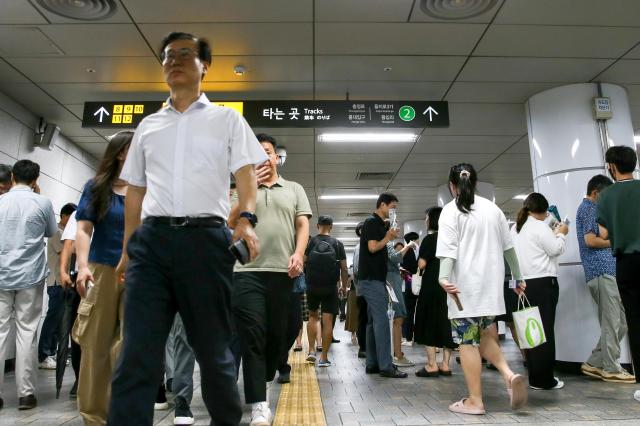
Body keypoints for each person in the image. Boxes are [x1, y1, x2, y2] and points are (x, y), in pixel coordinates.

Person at [108, 32, 267, 426]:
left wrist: (246, 218)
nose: (173, 61)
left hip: (205, 241)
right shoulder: (148, 125)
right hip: (152, 245)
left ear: (204, 67)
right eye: (167, 56)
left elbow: (246, 176)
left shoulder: (227, 119)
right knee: (137, 353)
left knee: (213, 351)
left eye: (184, 54)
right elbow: (135, 192)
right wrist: (129, 247)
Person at [230, 132, 311, 425]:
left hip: (283, 273)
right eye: (257, 153)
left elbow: (302, 224)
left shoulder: (294, 188)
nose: (264, 157)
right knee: (253, 336)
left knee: (279, 335)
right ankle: (259, 404)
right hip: (246, 272)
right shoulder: (240, 189)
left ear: (277, 157)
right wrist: (248, 188)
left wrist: (300, 254)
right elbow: (230, 222)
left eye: (268, 152)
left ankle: (263, 379)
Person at [437, 163, 527, 415]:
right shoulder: (493, 209)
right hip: (490, 288)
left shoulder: (449, 211)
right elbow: (509, 249)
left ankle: (475, 400)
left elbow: (448, 252)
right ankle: (509, 376)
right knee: (487, 336)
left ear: (451, 186)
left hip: (463, 290)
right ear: (474, 183)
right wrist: (518, 278)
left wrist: (444, 279)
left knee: (467, 343)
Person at [73, 131, 132, 424]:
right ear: (120, 153)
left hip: (138, 273)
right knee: (96, 344)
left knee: (129, 345)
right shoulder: (97, 187)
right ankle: (94, 416)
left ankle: (122, 413)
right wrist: (82, 266)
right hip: (101, 270)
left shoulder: (147, 189)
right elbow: (83, 229)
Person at [0, 159, 57, 411]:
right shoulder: (42, 202)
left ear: (12, 177)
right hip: (30, 277)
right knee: (27, 332)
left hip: (1, 274)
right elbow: (50, 231)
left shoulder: (0, 202)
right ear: (36, 179)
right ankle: (26, 394)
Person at [577, 174, 635, 384]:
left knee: (621, 321)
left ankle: (594, 362)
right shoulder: (590, 208)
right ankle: (611, 367)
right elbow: (591, 240)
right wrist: (615, 240)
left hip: (607, 273)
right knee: (611, 321)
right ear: (596, 193)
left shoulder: (592, 208)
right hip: (601, 272)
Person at [596, 145, 640, 402]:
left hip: (627, 263)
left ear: (612, 167)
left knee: (635, 321)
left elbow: (603, 235)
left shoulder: (606, 196)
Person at [511, 192, 568, 390]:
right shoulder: (539, 227)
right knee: (545, 332)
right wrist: (562, 233)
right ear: (543, 211)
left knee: (531, 332)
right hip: (543, 284)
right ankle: (545, 380)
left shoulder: (515, 228)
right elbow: (555, 250)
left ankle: (535, 377)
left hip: (524, 286)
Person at [358, 192, 407, 378]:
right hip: (371, 279)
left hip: (374, 278)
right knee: (381, 321)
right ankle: (386, 366)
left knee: (372, 322)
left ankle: (372, 363)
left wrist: (389, 235)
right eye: (392, 207)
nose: (393, 211)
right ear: (382, 205)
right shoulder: (371, 222)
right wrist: (388, 237)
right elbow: (372, 247)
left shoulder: (379, 225)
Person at [414, 207, 455, 377]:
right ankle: (445, 364)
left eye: (427, 218)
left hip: (432, 285)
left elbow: (422, 265)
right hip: (450, 284)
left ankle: (432, 365)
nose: (425, 220)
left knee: (429, 321)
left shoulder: (430, 239)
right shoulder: (452, 239)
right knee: (447, 321)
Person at [305, 215, 348, 367]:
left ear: (317, 226)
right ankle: (324, 357)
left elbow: (303, 261)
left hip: (312, 285)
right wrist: (343, 286)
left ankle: (311, 351)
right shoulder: (337, 244)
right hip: (330, 287)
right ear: (331, 226)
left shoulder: (311, 242)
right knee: (328, 321)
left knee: (312, 316)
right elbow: (344, 268)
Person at [38, 202, 77, 370]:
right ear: (64, 216)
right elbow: (67, 252)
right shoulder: (56, 232)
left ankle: (51, 354)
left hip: (63, 283)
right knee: (52, 319)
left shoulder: (65, 233)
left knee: (59, 320)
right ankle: (44, 355)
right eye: (73, 218)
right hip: (56, 283)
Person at [59, 210, 82, 398]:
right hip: (81, 279)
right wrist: (64, 271)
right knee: (77, 332)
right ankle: (80, 377)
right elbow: (68, 244)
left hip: (111, 276)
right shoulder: (78, 212)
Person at [387, 240, 417, 367]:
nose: (397, 228)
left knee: (395, 320)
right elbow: (396, 257)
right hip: (392, 286)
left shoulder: (380, 244)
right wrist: (408, 246)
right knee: (398, 319)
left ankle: (396, 353)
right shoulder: (386, 244)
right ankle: (397, 355)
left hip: (391, 283)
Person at [401, 232, 419, 346]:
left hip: (410, 284)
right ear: (413, 240)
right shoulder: (413, 252)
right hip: (413, 283)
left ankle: (408, 338)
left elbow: (406, 270)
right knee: (411, 311)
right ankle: (410, 337)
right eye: (417, 239)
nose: (418, 242)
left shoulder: (408, 252)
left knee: (409, 311)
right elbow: (412, 269)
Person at [352, 222, 367, 358]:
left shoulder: (366, 245)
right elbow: (356, 270)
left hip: (366, 289)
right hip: (363, 289)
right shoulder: (360, 247)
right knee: (363, 319)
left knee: (367, 319)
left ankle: (367, 347)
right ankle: (363, 347)